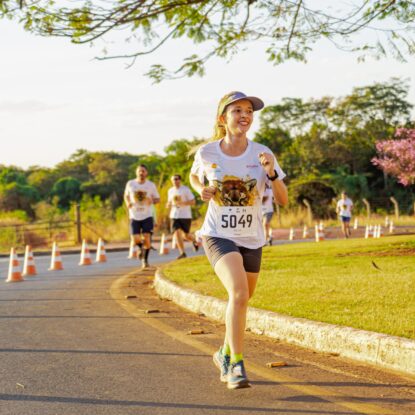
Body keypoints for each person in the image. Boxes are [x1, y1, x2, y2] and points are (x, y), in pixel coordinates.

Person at [189, 91, 288, 389]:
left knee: (243, 299)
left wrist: (270, 172)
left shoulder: (262, 153)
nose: (245, 115)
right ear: (223, 118)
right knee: (239, 294)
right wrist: (200, 190)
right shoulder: (208, 152)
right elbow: (196, 176)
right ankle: (235, 365)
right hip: (218, 234)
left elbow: (283, 199)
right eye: (238, 111)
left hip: (253, 238)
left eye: (249, 111)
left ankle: (223, 352)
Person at [124, 164, 160, 269]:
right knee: (135, 239)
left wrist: (152, 200)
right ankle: (141, 248)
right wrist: (127, 202)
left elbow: (158, 199)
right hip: (134, 215)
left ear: (146, 173)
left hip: (147, 216)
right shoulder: (130, 184)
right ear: (136, 172)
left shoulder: (151, 185)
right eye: (139, 171)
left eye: (143, 171)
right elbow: (126, 195)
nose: (141, 173)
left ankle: (145, 260)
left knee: (147, 238)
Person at [166, 174, 199, 259]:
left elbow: (193, 201)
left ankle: (194, 241)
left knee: (186, 236)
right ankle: (182, 253)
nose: (175, 181)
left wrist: (183, 203)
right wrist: (168, 204)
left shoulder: (185, 189)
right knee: (176, 232)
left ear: (180, 180)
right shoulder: (170, 191)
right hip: (174, 215)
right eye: (173, 179)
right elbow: (169, 202)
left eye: (177, 179)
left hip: (185, 215)